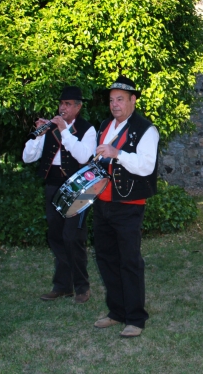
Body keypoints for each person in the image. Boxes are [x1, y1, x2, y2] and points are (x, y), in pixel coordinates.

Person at [93, 75, 159, 338]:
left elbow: (146, 166)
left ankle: (135, 318)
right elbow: (97, 157)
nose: (115, 105)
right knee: (106, 258)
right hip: (102, 202)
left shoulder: (146, 129)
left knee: (129, 261)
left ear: (133, 100)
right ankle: (116, 312)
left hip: (129, 204)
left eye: (120, 99)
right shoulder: (105, 126)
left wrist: (117, 153)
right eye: (111, 100)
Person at [23, 86, 96, 303]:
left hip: (79, 188)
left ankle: (82, 287)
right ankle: (63, 286)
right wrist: (39, 135)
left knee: (73, 237)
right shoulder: (50, 128)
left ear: (78, 107)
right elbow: (27, 158)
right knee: (56, 237)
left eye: (68, 104)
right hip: (53, 186)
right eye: (61, 104)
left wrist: (64, 130)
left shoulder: (88, 129)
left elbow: (83, 157)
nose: (63, 108)